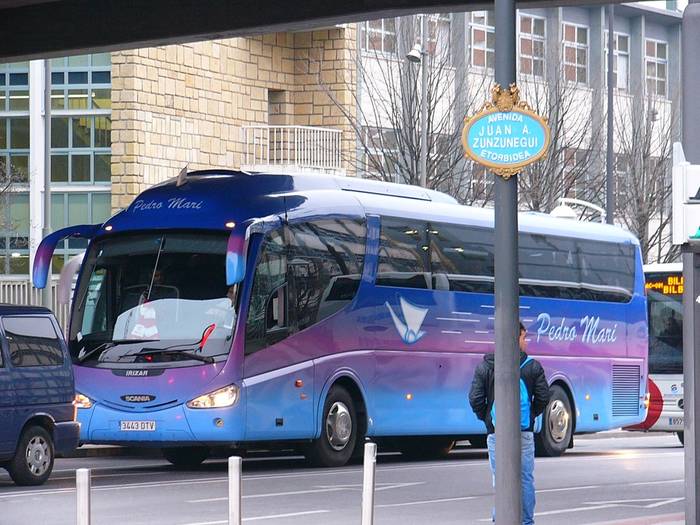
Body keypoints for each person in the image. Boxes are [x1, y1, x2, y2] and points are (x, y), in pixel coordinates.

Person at [468, 321, 550, 525]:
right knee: (525, 480)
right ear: (516, 338)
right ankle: (526, 522)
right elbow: (543, 397)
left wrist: (488, 419)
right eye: (524, 337)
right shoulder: (532, 367)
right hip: (523, 432)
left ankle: (501, 520)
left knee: (501, 479)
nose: (526, 342)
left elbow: (475, 398)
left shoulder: (485, 366)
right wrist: (530, 416)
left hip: (497, 434)